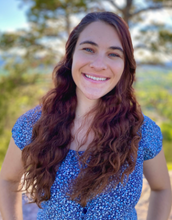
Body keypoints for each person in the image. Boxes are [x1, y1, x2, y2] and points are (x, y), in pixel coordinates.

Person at [0, 11, 171, 220]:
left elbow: (162, 188)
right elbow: (7, 179)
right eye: (89, 49)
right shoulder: (34, 124)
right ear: (71, 55)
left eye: (114, 54)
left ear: (125, 66)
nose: (99, 64)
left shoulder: (143, 131)